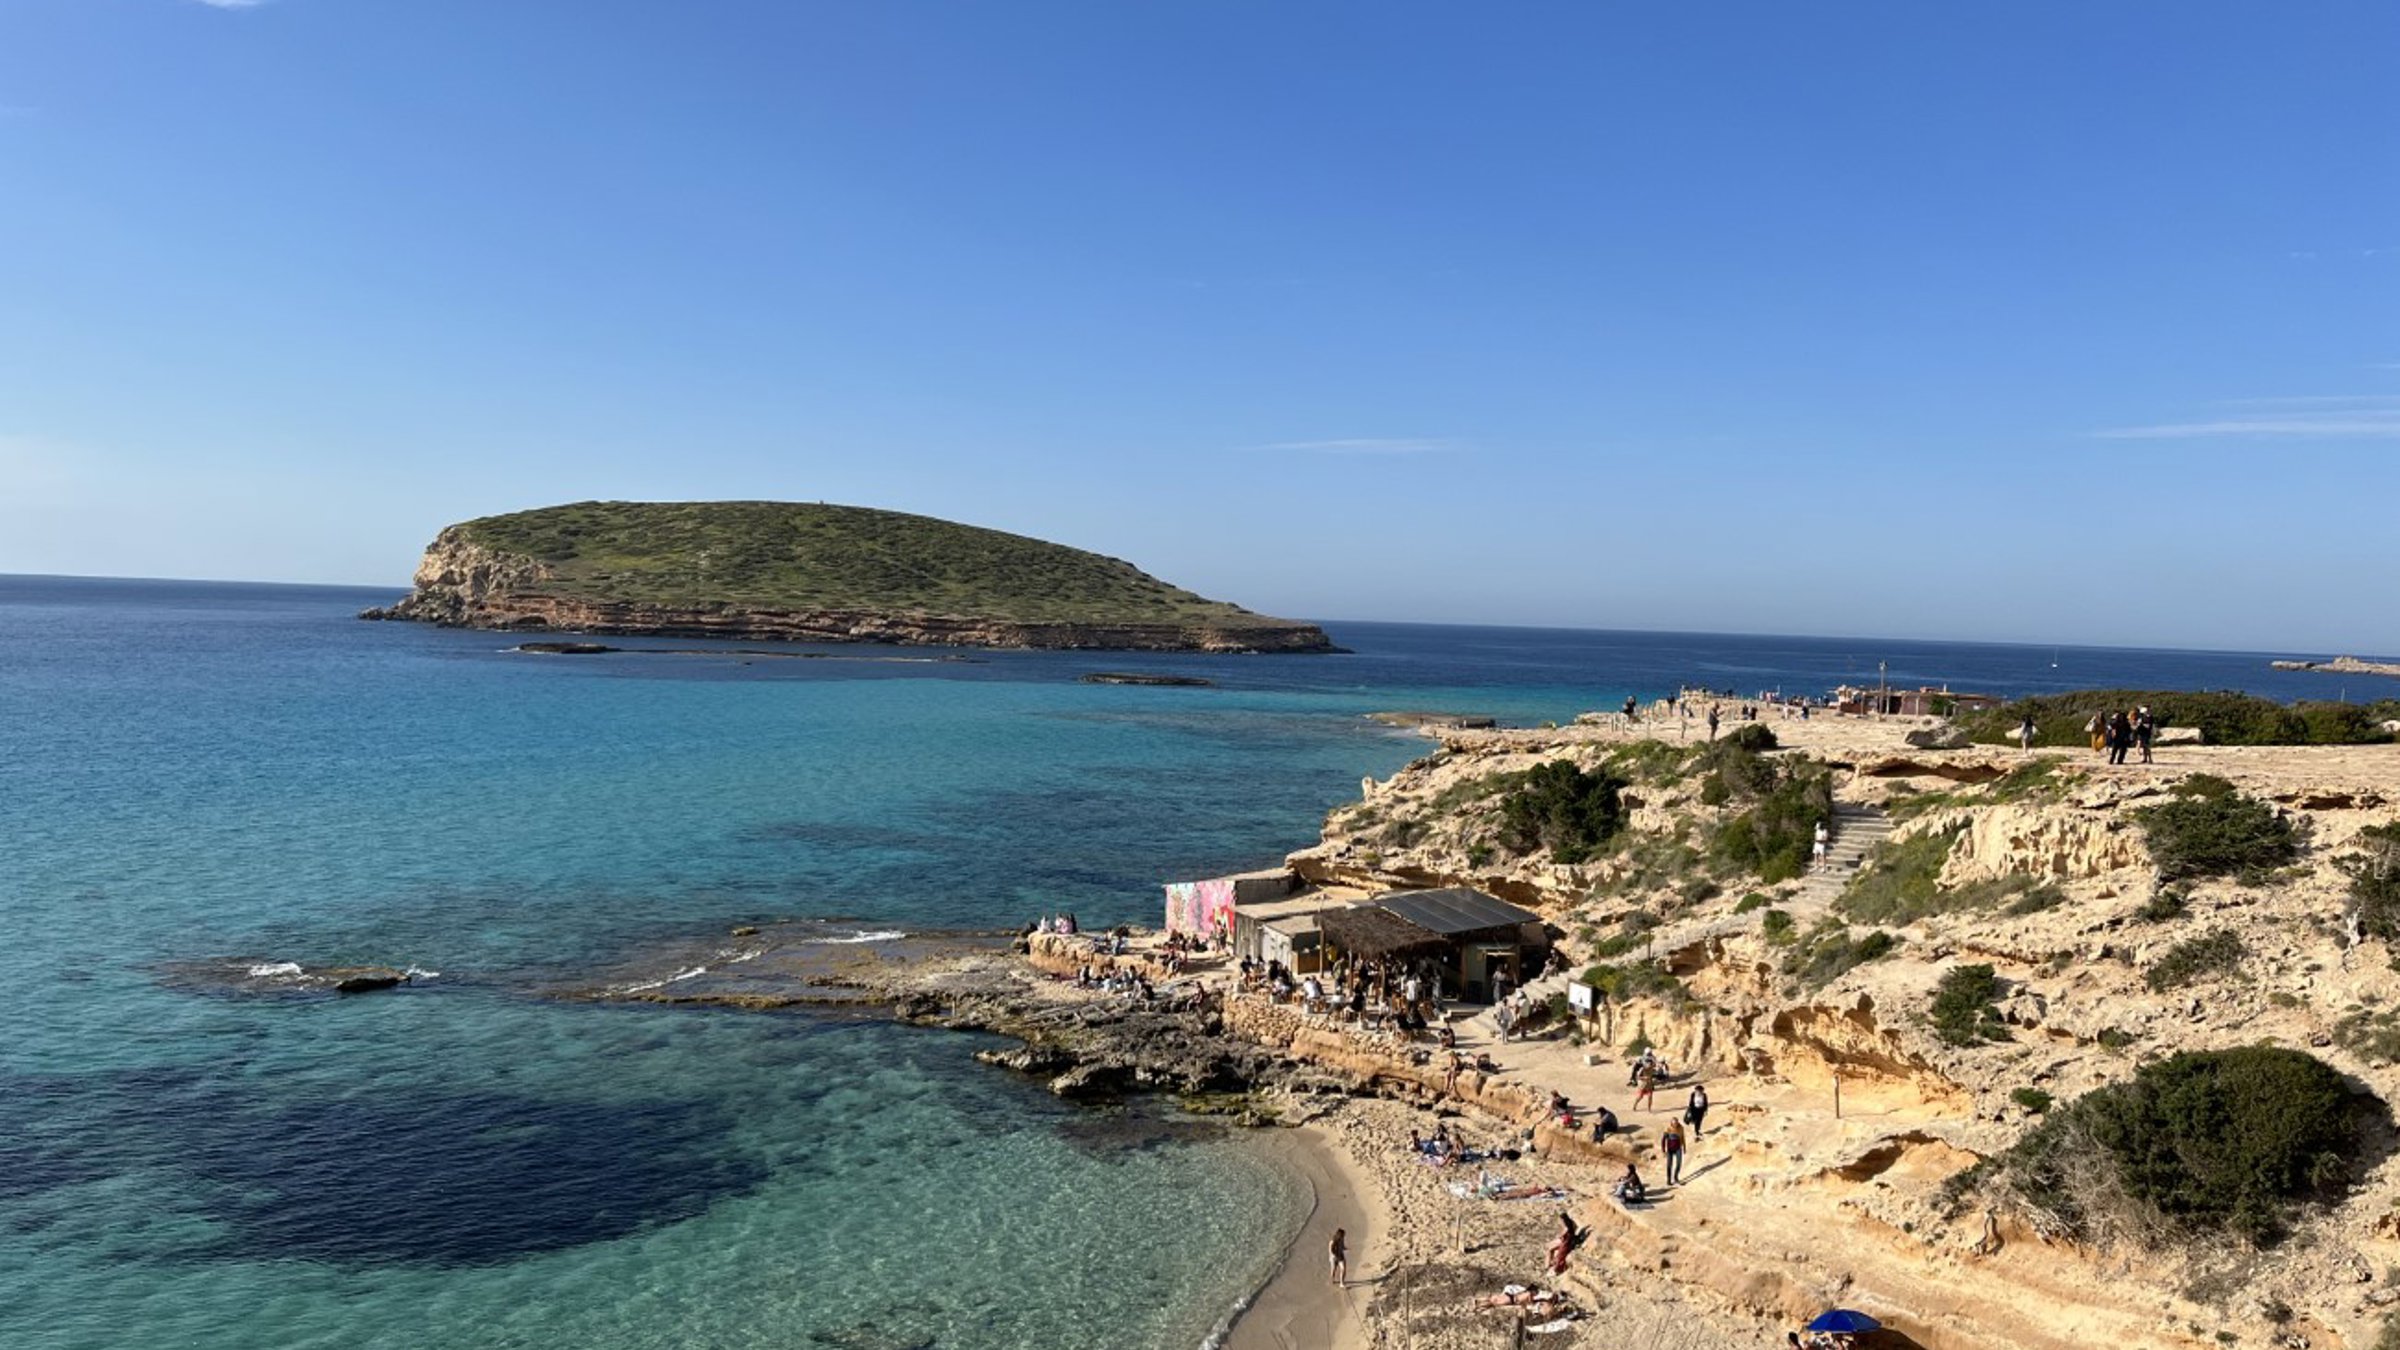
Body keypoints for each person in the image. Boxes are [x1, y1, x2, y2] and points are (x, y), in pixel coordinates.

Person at [1661, 1117, 1687, 1184]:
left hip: (1678, 1148)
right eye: (1674, 1123)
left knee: (1679, 1163)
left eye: (1676, 1123)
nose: (1675, 1124)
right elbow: (1663, 1140)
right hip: (1670, 1149)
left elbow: (1683, 1137)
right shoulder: (1668, 1129)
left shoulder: (1681, 1128)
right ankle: (1669, 1179)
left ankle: (1676, 1177)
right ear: (1671, 1123)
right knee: (1669, 1165)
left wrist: (1684, 1147)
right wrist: (1663, 1151)